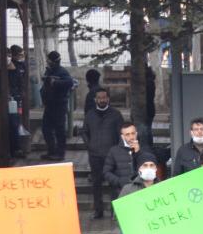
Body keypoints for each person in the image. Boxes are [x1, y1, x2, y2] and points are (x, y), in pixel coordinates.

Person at [83, 86, 125, 220]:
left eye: (104, 97)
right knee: (96, 184)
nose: (102, 100)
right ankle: (98, 211)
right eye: (99, 98)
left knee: (113, 184)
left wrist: (118, 150)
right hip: (95, 155)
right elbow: (84, 132)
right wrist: (89, 145)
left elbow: (121, 134)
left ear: (108, 99)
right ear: (95, 99)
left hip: (111, 155)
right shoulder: (90, 115)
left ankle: (115, 211)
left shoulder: (116, 115)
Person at [39, 50, 75, 161]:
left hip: (59, 105)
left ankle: (60, 153)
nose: (48, 62)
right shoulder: (50, 71)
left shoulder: (62, 71)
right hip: (50, 105)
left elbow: (69, 82)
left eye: (49, 60)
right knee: (46, 129)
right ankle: (52, 151)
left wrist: (55, 82)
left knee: (60, 130)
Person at [103, 122, 147, 196]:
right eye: (127, 134)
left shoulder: (144, 149)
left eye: (133, 133)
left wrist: (138, 153)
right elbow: (106, 172)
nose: (131, 137)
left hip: (141, 191)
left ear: (136, 134)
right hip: (121, 192)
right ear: (122, 137)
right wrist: (119, 181)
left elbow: (150, 168)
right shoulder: (114, 151)